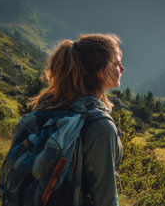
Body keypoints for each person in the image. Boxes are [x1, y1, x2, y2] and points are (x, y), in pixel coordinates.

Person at [29, 34, 125, 206]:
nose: (122, 69)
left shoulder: (49, 107)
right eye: (116, 64)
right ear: (101, 73)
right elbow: (106, 199)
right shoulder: (101, 126)